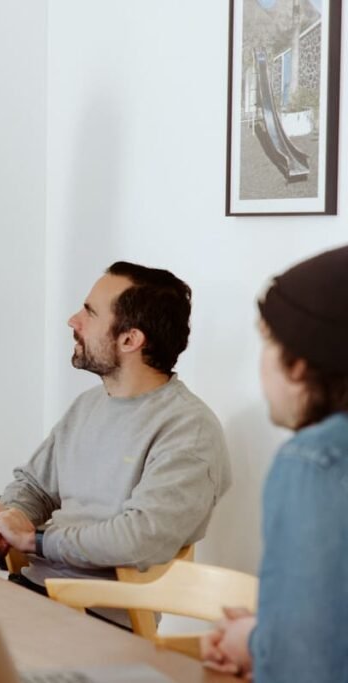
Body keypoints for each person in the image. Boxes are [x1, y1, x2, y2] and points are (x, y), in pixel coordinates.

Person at [0, 262, 231, 621]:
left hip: (96, 616)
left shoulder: (189, 431)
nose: (73, 321)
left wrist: (34, 541)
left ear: (130, 339)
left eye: (89, 313)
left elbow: (138, 538)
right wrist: (12, 515)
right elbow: (35, 486)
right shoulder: (89, 405)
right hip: (33, 593)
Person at [201, 245, 348, 681]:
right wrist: (258, 639)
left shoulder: (315, 461)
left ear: (299, 365)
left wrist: (270, 648)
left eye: (267, 342)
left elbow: (303, 667)